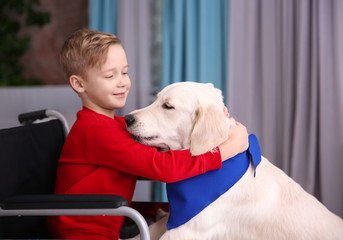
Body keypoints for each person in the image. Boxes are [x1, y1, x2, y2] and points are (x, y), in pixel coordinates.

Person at [46, 29, 249, 240]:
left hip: (107, 224)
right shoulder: (95, 131)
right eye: (109, 75)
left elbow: (147, 157)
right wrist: (228, 148)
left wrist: (214, 122)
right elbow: (163, 167)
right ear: (79, 84)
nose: (122, 82)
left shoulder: (109, 126)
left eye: (124, 72)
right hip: (84, 235)